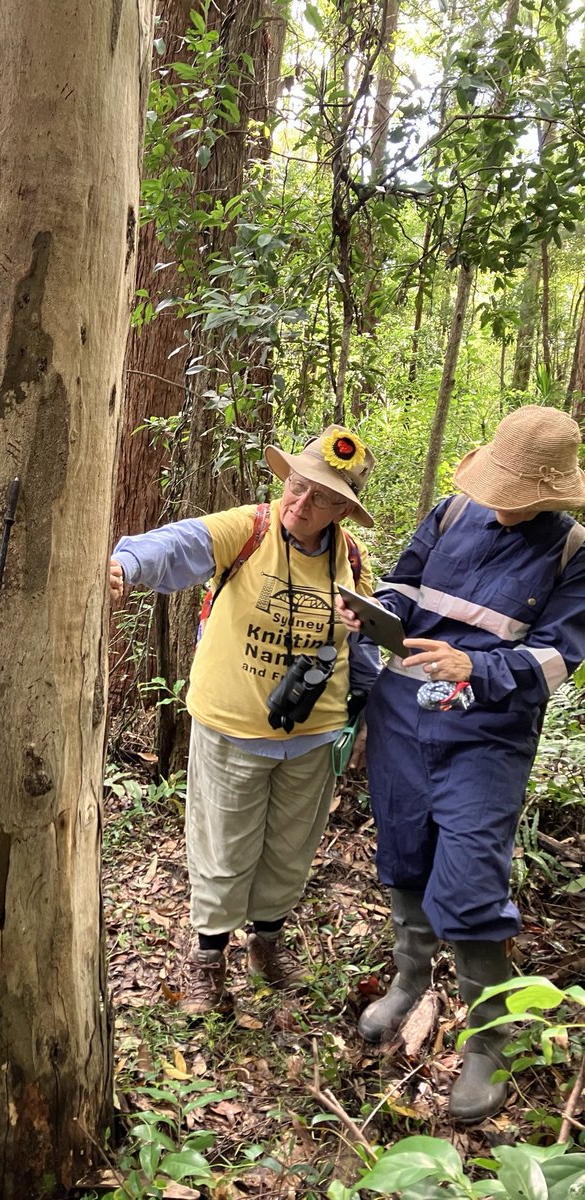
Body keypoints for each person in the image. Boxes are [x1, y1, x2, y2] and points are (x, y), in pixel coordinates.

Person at [340, 405, 585, 1123]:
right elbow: (404, 585)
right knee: (405, 852)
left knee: (473, 875)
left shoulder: (573, 551)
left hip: (486, 733)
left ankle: (489, 1038)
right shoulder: (451, 513)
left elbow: (556, 660)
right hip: (404, 716)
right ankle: (410, 977)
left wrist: (472, 666)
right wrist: (375, 608)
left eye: (518, 497)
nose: (501, 506)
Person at [109, 427, 380, 1014]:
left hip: (314, 734)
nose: (301, 504)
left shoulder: (349, 559)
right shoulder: (249, 528)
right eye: (298, 487)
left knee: (290, 847)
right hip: (233, 726)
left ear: (342, 510)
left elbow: (367, 647)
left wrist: (366, 719)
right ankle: (208, 958)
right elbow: (180, 546)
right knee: (223, 844)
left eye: (321, 498)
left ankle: (267, 946)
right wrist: (126, 564)